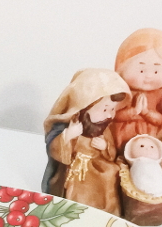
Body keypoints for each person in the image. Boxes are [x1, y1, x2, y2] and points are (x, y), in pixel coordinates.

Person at [42, 68, 131, 216]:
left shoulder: (105, 127)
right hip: (76, 165)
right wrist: (68, 136)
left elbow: (111, 153)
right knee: (76, 182)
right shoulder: (73, 125)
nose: (109, 114)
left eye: (113, 109)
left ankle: (107, 211)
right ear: (84, 107)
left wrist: (105, 147)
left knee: (111, 173)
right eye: (104, 109)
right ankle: (77, 210)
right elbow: (55, 149)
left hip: (97, 163)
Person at [112, 28, 162, 151]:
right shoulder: (121, 93)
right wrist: (133, 111)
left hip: (152, 140)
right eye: (141, 70)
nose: (149, 76)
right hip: (123, 138)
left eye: (156, 71)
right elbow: (113, 115)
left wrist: (147, 113)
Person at [123, 133, 162, 198]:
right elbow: (139, 176)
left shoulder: (156, 164)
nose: (147, 149)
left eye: (152, 147)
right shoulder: (139, 162)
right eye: (141, 146)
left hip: (161, 189)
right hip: (143, 189)